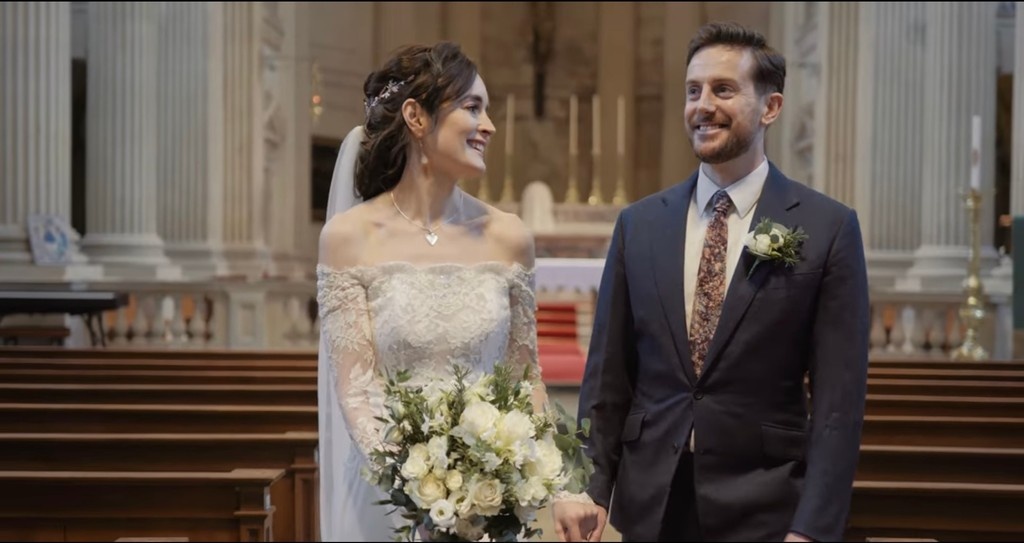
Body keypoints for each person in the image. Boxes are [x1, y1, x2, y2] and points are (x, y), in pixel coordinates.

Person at [552, 22, 869, 542]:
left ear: (770, 107)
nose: (703, 105)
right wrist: (587, 487)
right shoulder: (640, 225)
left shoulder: (826, 227)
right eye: (693, 90)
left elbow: (839, 402)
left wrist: (813, 528)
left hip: (767, 504)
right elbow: (607, 377)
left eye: (723, 89)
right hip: (653, 502)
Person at [315, 41, 548, 541]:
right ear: (416, 117)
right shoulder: (348, 238)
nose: (489, 126)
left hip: (489, 502)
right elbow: (355, 390)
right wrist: (421, 494)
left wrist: (538, 477)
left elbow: (525, 376)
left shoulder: (510, 237)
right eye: (473, 107)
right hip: (387, 501)